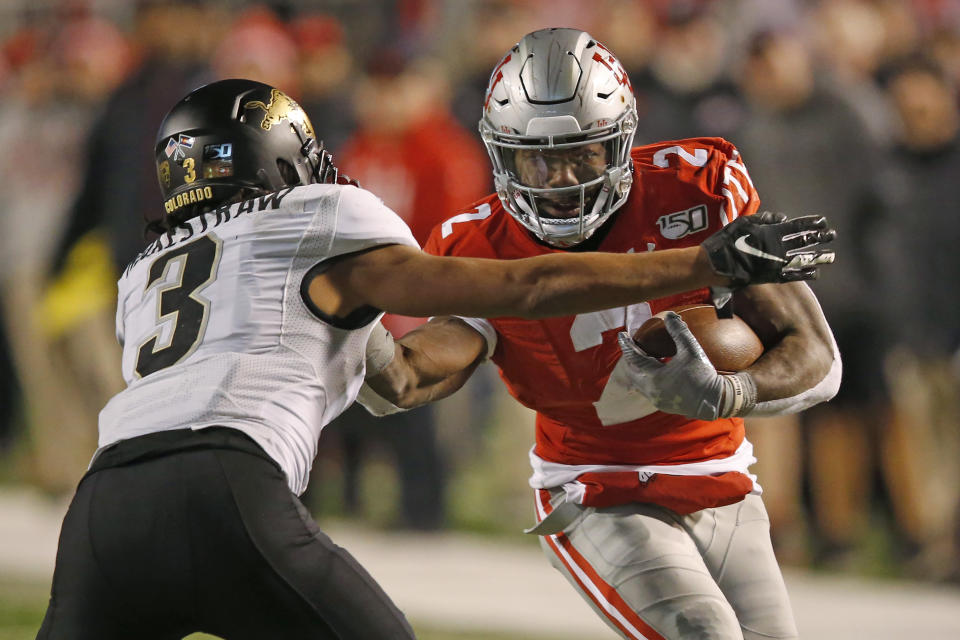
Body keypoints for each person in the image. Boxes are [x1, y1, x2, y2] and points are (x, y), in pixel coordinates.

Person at [36, 78, 832, 639]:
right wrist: (707, 263)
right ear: (283, 158)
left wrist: (371, 347)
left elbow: (386, 368)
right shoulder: (320, 212)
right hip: (228, 483)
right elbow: (530, 286)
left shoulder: (143, 272)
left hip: (101, 506)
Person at [360, 29, 841, 640]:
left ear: (620, 142)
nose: (559, 180)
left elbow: (820, 360)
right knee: (702, 629)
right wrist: (361, 341)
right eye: (536, 157)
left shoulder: (695, 188)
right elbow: (420, 366)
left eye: (581, 154)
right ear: (501, 153)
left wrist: (732, 392)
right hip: (593, 489)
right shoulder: (478, 245)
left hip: (721, 475)